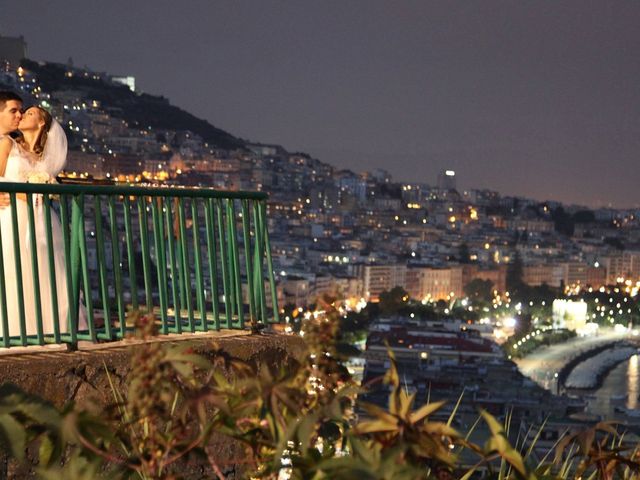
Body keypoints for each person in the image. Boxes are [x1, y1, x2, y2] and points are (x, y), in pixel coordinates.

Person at [0, 100, 81, 339]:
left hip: (40, 219)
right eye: (20, 111)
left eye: (30, 113)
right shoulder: (7, 144)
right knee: (12, 274)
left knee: (44, 275)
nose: (23, 115)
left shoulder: (46, 159)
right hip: (10, 217)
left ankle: (47, 331)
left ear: (42, 122)